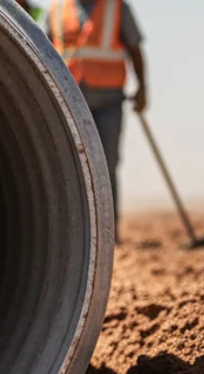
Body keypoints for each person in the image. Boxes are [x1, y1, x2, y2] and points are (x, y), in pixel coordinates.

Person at [46, 0, 147, 244]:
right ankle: (73, 231)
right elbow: (43, 50)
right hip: (70, 99)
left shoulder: (116, 7)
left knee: (106, 164)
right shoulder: (57, 9)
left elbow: (135, 48)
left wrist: (142, 88)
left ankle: (109, 232)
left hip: (109, 99)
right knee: (68, 164)